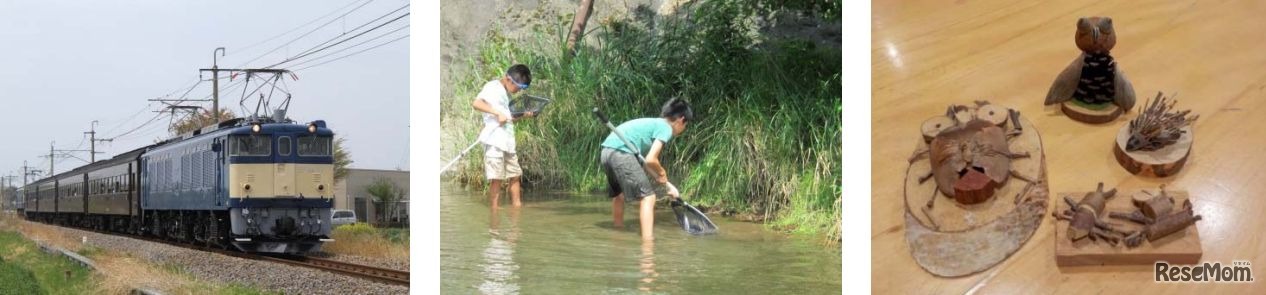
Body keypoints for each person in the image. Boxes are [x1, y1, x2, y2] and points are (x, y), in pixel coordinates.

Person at [599, 98, 692, 240]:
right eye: (685, 125)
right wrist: (662, 172)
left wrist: (668, 185)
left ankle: (617, 233)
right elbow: (651, 159)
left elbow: (646, 163)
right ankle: (648, 244)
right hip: (621, 153)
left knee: (619, 195)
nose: (683, 129)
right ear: (681, 120)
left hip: (607, 151)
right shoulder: (666, 127)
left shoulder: (654, 123)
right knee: (649, 197)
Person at [472, 64, 534, 207]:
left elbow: (508, 118)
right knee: (497, 179)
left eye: (523, 88)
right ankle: (494, 213)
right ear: (508, 79)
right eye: (519, 86)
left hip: (508, 143)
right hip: (495, 142)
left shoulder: (505, 94)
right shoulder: (493, 87)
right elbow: (476, 103)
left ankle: (517, 207)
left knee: (515, 175)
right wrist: (497, 113)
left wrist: (523, 116)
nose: (519, 90)